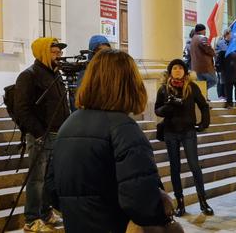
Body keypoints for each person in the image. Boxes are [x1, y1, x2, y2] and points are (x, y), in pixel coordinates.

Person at [46, 50, 174, 232]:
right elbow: (140, 200)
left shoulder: (69, 125)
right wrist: (162, 209)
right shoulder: (124, 129)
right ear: (129, 83)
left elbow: (51, 188)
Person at [14, 37, 70, 231]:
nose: (58, 56)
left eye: (59, 52)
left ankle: (46, 213)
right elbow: (22, 109)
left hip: (58, 134)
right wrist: (38, 133)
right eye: (54, 52)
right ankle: (31, 219)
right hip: (40, 136)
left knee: (48, 179)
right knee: (36, 179)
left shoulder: (55, 75)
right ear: (42, 53)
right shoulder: (29, 75)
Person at [154, 59, 213, 216]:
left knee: (195, 166)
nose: (178, 70)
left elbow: (204, 105)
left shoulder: (191, 87)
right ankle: (180, 204)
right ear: (170, 71)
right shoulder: (163, 89)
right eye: (175, 68)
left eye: (180, 68)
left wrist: (203, 123)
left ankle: (203, 202)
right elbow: (157, 110)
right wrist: (168, 107)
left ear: (185, 71)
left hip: (188, 132)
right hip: (170, 132)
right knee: (175, 168)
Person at [72, 34, 111, 111]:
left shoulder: (113, 69)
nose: (104, 55)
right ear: (92, 52)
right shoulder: (85, 70)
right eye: (100, 51)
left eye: (107, 51)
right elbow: (80, 98)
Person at [190, 24, 217, 93]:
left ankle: (203, 96)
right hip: (205, 67)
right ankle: (199, 91)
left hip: (196, 67)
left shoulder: (193, 39)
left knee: (202, 82)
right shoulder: (202, 38)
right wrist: (214, 52)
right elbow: (207, 48)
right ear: (202, 30)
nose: (205, 32)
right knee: (213, 80)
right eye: (205, 30)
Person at [215, 29, 230, 100]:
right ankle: (221, 96)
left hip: (227, 66)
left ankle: (226, 96)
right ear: (226, 35)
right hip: (221, 66)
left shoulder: (229, 43)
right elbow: (226, 50)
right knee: (221, 81)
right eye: (230, 34)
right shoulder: (221, 43)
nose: (232, 36)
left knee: (226, 81)